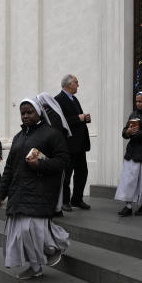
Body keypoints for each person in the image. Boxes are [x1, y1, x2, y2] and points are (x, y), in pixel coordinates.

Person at [0, 99, 70, 279]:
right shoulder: (18, 137)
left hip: (40, 191)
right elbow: (10, 168)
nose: (26, 116)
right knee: (24, 234)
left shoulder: (52, 134)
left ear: (38, 113)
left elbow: (63, 161)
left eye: (29, 112)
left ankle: (58, 244)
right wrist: (0, 193)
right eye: (23, 113)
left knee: (32, 232)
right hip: (19, 192)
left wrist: (41, 164)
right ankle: (36, 269)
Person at [55, 74, 91, 211]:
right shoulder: (58, 100)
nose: (78, 85)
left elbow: (76, 119)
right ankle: (65, 201)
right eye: (76, 82)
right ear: (69, 84)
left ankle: (77, 199)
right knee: (67, 174)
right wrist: (78, 118)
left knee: (82, 172)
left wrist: (84, 118)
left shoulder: (74, 99)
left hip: (80, 144)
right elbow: (60, 122)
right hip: (68, 145)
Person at [36, 91, 72, 217]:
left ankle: (57, 208)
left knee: (57, 183)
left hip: (56, 154)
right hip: (51, 154)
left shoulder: (54, 115)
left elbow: (53, 136)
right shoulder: (49, 114)